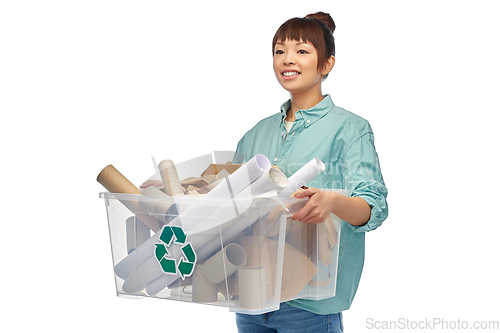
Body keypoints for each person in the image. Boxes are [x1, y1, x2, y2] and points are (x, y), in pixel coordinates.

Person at [232, 12, 388, 332]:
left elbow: (372, 208)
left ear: (327, 64)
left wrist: (332, 200)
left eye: (302, 51)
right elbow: (232, 208)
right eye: (279, 51)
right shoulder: (254, 136)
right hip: (250, 296)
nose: (287, 59)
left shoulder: (349, 129)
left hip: (311, 306)